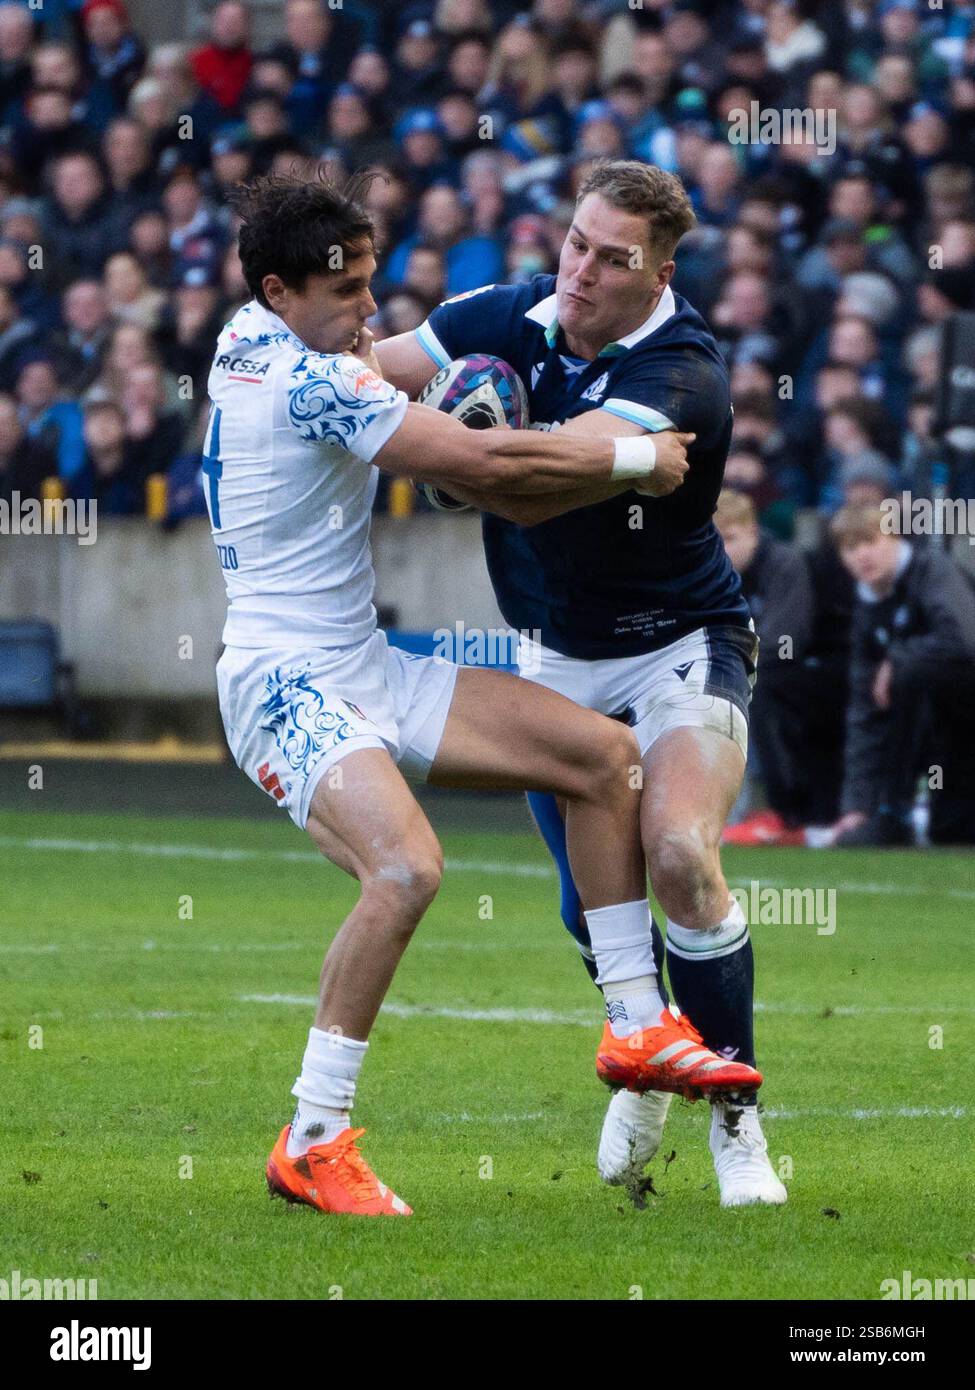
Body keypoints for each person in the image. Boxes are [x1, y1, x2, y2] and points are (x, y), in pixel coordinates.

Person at [208, 171, 757, 1219]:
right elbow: (481, 461)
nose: (371, 313)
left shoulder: (258, 333)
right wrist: (639, 458)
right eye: (349, 291)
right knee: (408, 867)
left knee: (605, 759)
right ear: (280, 291)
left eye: (373, 284)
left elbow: (456, 432)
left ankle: (638, 1019)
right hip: (282, 681)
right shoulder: (311, 378)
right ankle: (313, 1137)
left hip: (361, 665)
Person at [377, 158, 787, 1207]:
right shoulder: (504, 310)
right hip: (558, 654)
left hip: (682, 638)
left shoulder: (683, 369)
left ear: (658, 273)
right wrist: (288, 366)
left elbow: (538, 483)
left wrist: (461, 450)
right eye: (575, 242)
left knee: (683, 855)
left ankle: (738, 1122)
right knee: (584, 911)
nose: (583, 270)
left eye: (613, 258)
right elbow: (368, 369)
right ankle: (648, 1049)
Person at [830, 503, 975, 848]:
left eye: (870, 541)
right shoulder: (867, 605)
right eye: (851, 547)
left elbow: (965, 641)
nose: (861, 555)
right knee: (950, 836)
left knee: (909, 674)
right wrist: (856, 806)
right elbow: (863, 710)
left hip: (963, 716)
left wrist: (897, 658)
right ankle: (887, 813)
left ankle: (898, 808)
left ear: (895, 538)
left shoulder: (934, 571)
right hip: (942, 729)